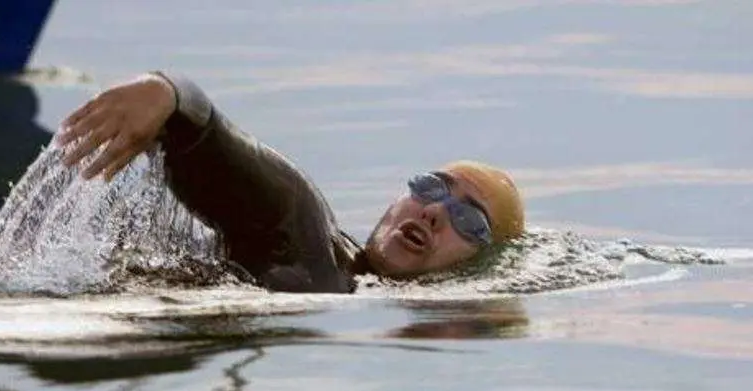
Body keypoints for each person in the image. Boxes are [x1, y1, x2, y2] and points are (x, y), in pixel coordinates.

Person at [57, 72, 526, 294]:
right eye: (431, 186)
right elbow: (268, 189)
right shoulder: (319, 257)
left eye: (468, 218)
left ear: (483, 264)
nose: (435, 211)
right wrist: (172, 96)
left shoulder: (334, 278)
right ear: (395, 200)